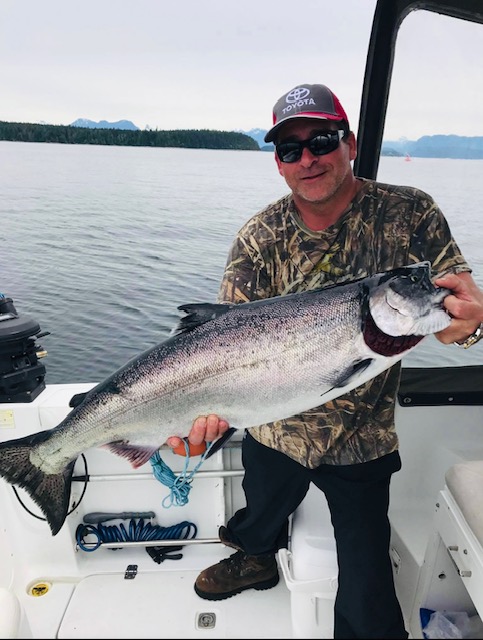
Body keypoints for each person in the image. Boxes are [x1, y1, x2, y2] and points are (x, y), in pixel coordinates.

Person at [167, 83, 483, 639]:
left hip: (362, 435)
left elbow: (457, 300)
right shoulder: (259, 238)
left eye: (322, 139)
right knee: (259, 513)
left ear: (350, 142)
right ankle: (254, 557)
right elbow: (219, 344)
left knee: (367, 595)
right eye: (291, 149)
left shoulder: (410, 214)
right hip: (274, 422)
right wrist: (200, 421)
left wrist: (470, 325)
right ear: (279, 165)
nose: (308, 158)